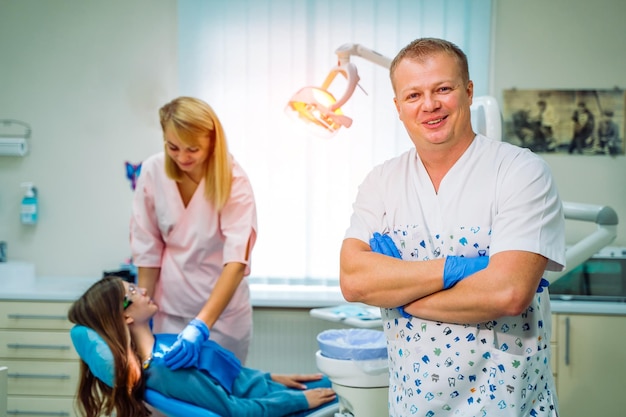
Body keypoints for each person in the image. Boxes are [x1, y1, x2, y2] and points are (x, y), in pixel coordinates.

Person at [339, 38, 565, 416]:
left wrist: (401, 295)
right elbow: (354, 281)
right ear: (398, 107)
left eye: (443, 88)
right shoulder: (381, 183)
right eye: (413, 95)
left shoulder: (520, 172)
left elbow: (507, 293)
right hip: (412, 406)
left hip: (508, 406)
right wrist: (461, 270)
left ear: (468, 91)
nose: (429, 105)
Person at [68, 275, 336, 417]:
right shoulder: (167, 369)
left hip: (271, 390)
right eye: (133, 293)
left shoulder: (164, 345)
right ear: (125, 316)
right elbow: (235, 411)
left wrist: (273, 378)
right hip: (275, 404)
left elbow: (226, 379)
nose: (143, 290)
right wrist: (299, 400)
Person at [130, 96, 258, 365]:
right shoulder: (154, 171)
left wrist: (201, 325)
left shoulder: (234, 181)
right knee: (169, 400)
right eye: (172, 147)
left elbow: (236, 261)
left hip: (222, 318)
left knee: (221, 400)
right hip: (168, 312)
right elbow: (148, 252)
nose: (182, 157)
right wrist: (139, 319)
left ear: (212, 142)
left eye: (193, 149)